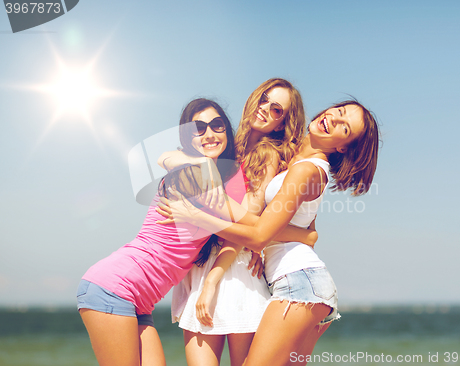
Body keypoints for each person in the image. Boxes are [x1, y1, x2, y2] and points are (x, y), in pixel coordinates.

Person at [76, 98, 315, 366]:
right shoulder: (198, 176)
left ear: (227, 129)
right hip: (115, 287)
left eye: (217, 125)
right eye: (198, 128)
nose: (209, 134)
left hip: (140, 300)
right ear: (187, 137)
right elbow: (254, 225)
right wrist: (304, 235)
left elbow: (250, 225)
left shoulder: (216, 176)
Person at [157, 99, 380, 366]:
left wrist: (200, 217)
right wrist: (305, 236)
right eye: (340, 112)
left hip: (299, 283)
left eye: (345, 128)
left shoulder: (306, 169)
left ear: (344, 146)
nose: (334, 119)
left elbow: (260, 234)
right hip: (298, 284)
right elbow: (299, 227)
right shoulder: (299, 160)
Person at [158, 78, 308, 366]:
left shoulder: (266, 156)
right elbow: (171, 156)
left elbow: (245, 225)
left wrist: (213, 279)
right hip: (202, 264)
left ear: (281, 124)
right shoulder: (223, 140)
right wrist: (170, 160)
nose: (265, 108)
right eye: (264, 98)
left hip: (234, 267)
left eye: (277, 109)